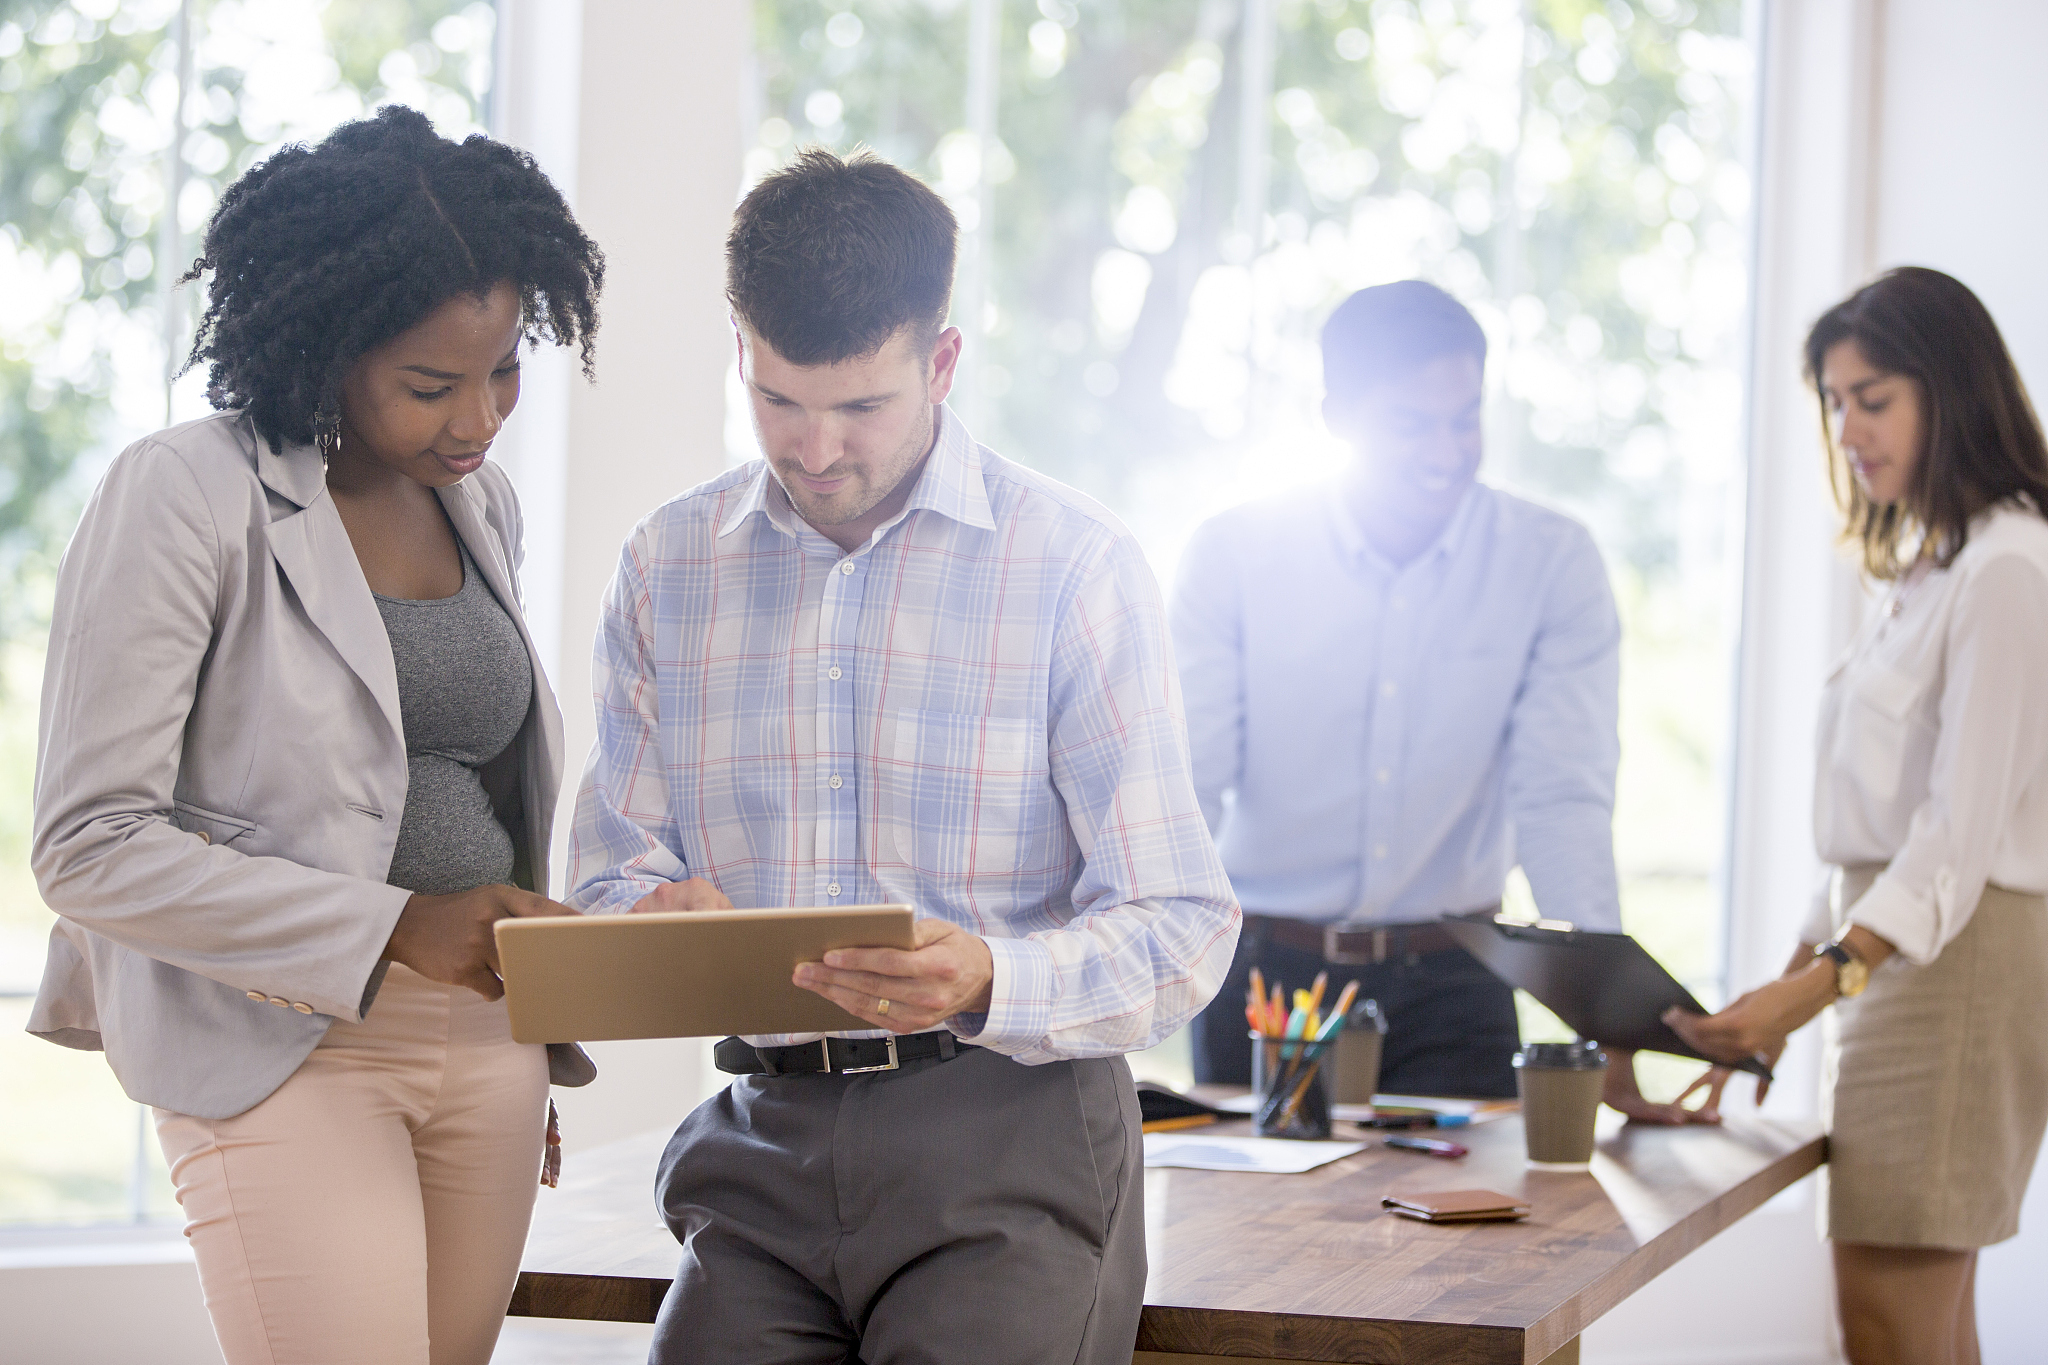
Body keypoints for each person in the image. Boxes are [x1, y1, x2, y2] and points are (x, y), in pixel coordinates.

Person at [565, 147, 1239, 1365]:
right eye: (777, 400)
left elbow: (1181, 921)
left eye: (861, 407)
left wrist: (989, 976)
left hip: (1009, 1142)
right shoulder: (668, 567)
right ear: (740, 351)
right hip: (759, 1145)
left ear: (939, 363)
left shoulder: (1071, 569)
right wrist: (647, 920)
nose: (815, 451)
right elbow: (606, 881)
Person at [27, 107, 605, 1365]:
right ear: (326, 349)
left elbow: (481, 782)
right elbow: (88, 844)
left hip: (485, 1042)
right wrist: (396, 927)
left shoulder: (480, 504)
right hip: (282, 1048)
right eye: (430, 385)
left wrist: (528, 1016)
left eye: (504, 368)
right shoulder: (186, 493)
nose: (481, 418)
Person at [1172, 280, 1692, 1120]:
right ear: (1336, 414)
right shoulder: (1234, 554)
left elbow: (1562, 798)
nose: (1445, 451)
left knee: (1468, 1243)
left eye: (1464, 418)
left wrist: (1608, 1024)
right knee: (1258, 1242)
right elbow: (1187, 788)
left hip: (1458, 977)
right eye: (1410, 423)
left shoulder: (1551, 562)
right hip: (1268, 981)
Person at [1668, 267, 2048, 1365]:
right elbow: (1862, 830)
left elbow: (1953, 833)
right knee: (1917, 1325)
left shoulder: (2007, 568)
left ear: (1949, 390)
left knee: (1891, 1326)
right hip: (1897, 959)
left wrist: (1804, 992)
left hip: (1960, 964)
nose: (1846, 430)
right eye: (1832, 403)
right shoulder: (1930, 566)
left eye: (1870, 398)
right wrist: (1781, 987)